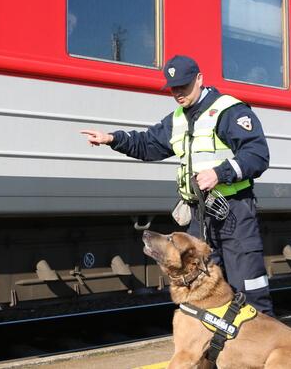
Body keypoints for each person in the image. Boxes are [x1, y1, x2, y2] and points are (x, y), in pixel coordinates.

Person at [80, 55, 273, 315]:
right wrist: (112, 139)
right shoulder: (178, 119)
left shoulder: (229, 111)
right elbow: (148, 144)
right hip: (200, 216)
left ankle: (265, 347)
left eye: (184, 86)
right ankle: (217, 351)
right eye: (173, 88)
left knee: (247, 287)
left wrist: (220, 173)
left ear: (200, 79)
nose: (178, 93)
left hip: (235, 214)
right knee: (202, 288)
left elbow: (257, 155)